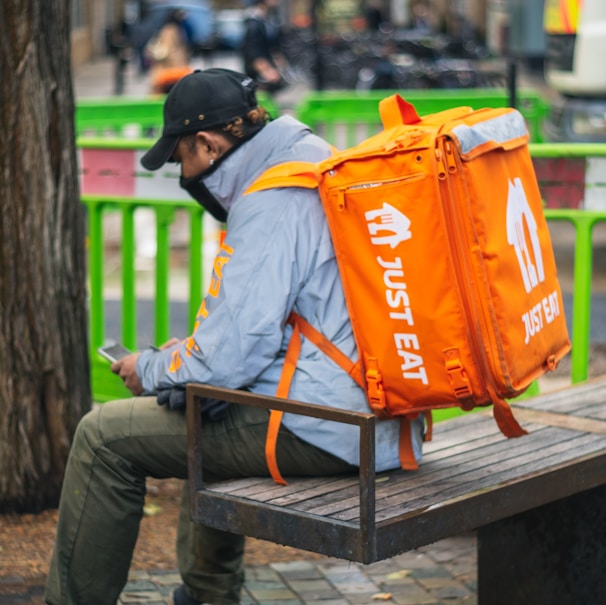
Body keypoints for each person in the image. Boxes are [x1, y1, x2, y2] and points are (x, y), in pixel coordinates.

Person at [44, 68, 424, 605]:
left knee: (103, 437)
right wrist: (189, 361)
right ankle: (208, 596)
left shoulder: (272, 200)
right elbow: (259, 337)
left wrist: (149, 368)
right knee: (206, 404)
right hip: (373, 413)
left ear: (208, 142)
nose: (183, 172)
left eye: (181, 159)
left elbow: (227, 361)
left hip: (331, 427)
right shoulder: (313, 158)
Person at [240, 0, 287, 93]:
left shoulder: (271, 16)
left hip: (268, 65)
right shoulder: (253, 19)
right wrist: (266, 70)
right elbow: (252, 49)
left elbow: (273, 45)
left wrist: (279, 61)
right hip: (257, 70)